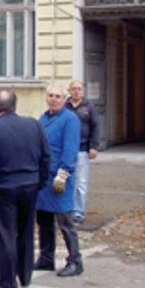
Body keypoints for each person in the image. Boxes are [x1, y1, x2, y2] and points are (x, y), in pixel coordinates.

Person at [0, 90, 51, 288]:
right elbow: (46, 156)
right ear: (15, 105)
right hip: (30, 184)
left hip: (3, 187)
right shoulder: (35, 125)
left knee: (6, 234)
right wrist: (41, 182)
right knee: (26, 231)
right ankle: (25, 275)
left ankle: (8, 281)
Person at [36, 84, 83, 277]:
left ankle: (75, 261)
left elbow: (71, 150)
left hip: (59, 178)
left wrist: (63, 174)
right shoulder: (43, 118)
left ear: (64, 100)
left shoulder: (70, 120)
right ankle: (46, 258)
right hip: (43, 179)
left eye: (58, 96)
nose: (54, 99)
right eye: (51, 96)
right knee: (44, 220)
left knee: (65, 222)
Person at [65, 80, 100, 223]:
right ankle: (66, 209)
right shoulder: (64, 107)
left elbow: (95, 126)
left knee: (81, 182)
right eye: (73, 89)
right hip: (66, 150)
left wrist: (94, 146)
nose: (76, 91)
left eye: (79, 89)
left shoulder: (89, 108)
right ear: (69, 91)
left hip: (83, 149)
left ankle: (78, 211)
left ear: (83, 91)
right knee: (65, 181)